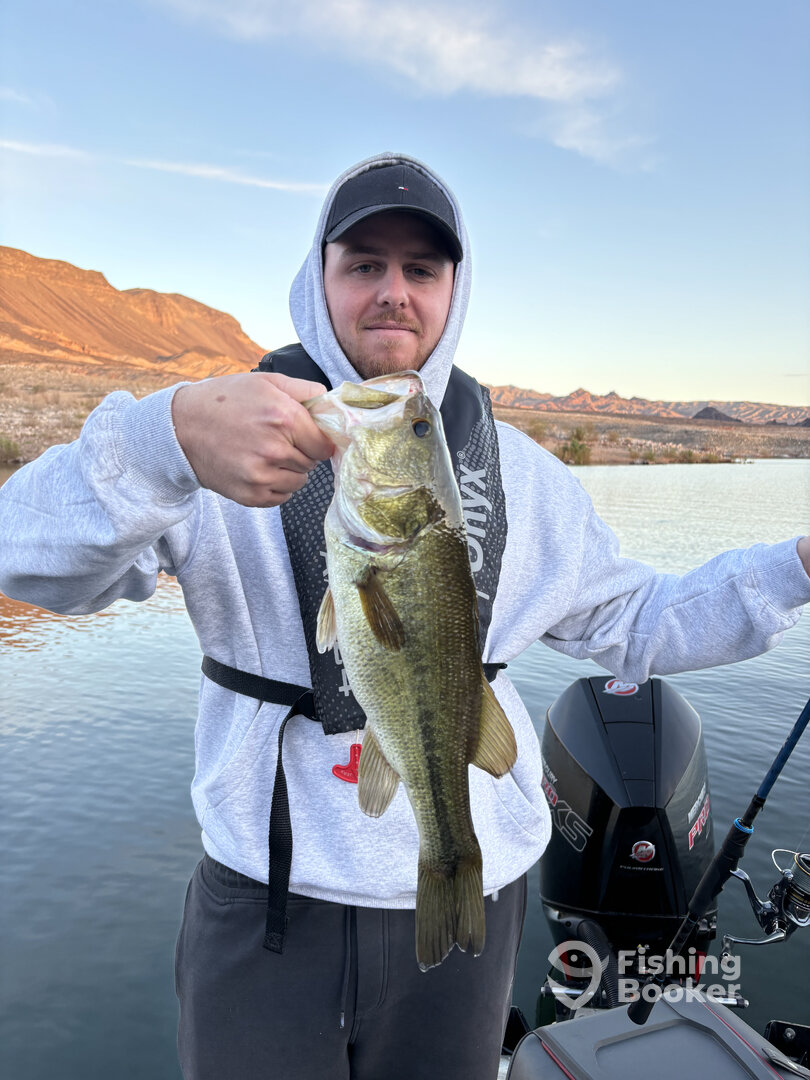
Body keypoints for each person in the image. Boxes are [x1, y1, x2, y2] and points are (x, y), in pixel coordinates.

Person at [1, 152, 808, 1080]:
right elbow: (22, 554)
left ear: (454, 292)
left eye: (421, 270)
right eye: (364, 264)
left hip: (476, 891)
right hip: (267, 906)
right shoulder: (213, 436)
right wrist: (165, 438)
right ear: (321, 281)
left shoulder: (528, 476)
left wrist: (795, 568)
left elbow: (642, 622)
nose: (394, 293)